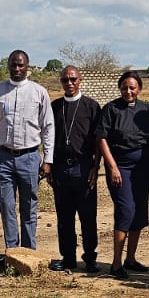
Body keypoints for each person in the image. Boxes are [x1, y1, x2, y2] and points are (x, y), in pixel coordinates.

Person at [0, 50, 54, 252]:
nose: (17, 69)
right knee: (6, 206)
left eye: (21, 65)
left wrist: (47, 159)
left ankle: (29, 251)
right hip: (2, 157)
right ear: (8, 67)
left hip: (30, 157)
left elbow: (48, 127)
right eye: (13, 65)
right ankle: (12, 252)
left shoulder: (39, 92)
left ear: (27, 67)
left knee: (29, 206)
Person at [95, 71, 149, 279]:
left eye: (132, 88)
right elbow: (101, 138)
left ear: (139, 89)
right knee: (126, 210)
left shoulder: (146, 109)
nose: (128, 91)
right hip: (120, 166)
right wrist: (112, 166)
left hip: (142, 167)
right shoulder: (111, 109)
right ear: (120, 89)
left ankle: (130, 259)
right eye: (124, 87)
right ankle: (116, 264)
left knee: (139, 212)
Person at [47, 65, 101, 273]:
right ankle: (68, 258)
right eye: (65, 80)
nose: (69, 83)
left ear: (80, 80)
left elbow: (99, 140)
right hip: (61, 169)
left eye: (73, 79)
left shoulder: (91, 106)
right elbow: (48, 137)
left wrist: (96, 167)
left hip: (84, 167)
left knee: (88, 217)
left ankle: (90, 258)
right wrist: (49, 166)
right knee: (64, 218)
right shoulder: (55, 107)